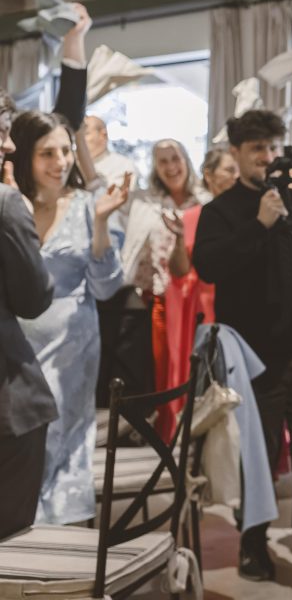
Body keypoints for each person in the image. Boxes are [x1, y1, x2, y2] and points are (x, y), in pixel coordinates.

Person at [192, 109, 292, 600]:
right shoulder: (222, 211)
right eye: (257, 148)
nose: (268, 157)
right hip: (253, 357)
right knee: (257, 458)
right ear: (236, 154)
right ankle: (254, 541)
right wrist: (258, 226)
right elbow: (210, 267)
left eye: (274, 147)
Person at [9, 110, 128, 525]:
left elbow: (106, 287)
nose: (61, 162)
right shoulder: (11, 204)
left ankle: (58, 536)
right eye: (47, 153)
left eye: (65, 151)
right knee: (21, 439)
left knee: (62, 438)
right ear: (24, 156)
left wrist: (100, 224)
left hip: (72, 349)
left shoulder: (87, 204)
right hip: (17, 347)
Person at [0, 93, 58, 539]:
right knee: (10, 543)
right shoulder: (5, 204)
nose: (10, 146)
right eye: (2, 132)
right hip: (8, 405)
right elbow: (34, 299)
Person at [159, 147, 240, 440]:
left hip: (241, 305)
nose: (236, 176)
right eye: (229, 170)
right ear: (209, 175)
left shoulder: (250, 216)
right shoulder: (194, 216)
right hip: (203, 307)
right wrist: (180, 239)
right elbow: (179, 270)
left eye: (237, 170)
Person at [119, 140, 202, 408]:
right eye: (163, 161)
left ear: (186, 160)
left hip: (196, 301)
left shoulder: (204, 200)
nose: (171, 167)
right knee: (162, 363)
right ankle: (165, 422)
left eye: (175, 158)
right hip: (159, 299)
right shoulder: (147, 203)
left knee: (192, 362)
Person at [82, 115, 140, 191]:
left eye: (86, 133)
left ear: (103, 135)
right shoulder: (70, 165)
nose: (79, 140)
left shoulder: (124, 165)